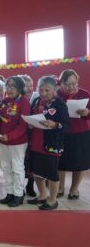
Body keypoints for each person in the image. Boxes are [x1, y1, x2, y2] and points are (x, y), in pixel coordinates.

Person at [0, 76, 30, 207]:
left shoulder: (24, 102)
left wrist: (9, 137)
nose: (9, 89)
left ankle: (18, 194)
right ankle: (10, 193)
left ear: (20, 88)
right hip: (3, 141)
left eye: (13, 86)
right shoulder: (4, 101)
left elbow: (23, 126)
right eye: (8, 86)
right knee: (5, 167)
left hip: (18, 142)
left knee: (17, 168)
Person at [27, 76, 70, 210]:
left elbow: (67, 125)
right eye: (41, 90)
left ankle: (52, 200)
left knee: (51, 173)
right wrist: (30, 124)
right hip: (35, 142)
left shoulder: (59, 104)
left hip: (51, 144)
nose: (44, 93)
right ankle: (42, 196)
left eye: (47, 90)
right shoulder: (35, 101)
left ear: (55, 89)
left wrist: (55, 124)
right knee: (36, 172)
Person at [57, 69, 90, 200]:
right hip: (61, 132)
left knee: (79, 163)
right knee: (60, 162)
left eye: (74, 83)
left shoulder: (84, 94)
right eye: (67, 84)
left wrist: (87, 113)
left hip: (80, 133)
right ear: (61, 84)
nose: (71, 87)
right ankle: (60, 188)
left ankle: (74, 189)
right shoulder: (56, 94)